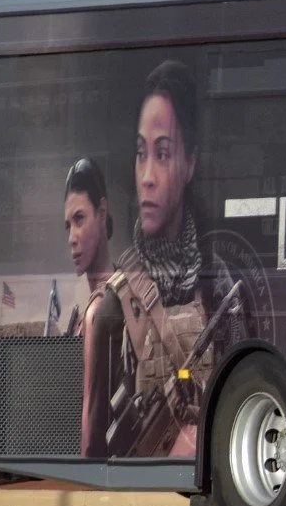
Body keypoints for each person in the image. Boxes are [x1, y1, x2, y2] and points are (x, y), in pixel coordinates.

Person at [82, 60, 254, 459]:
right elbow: (92, 445)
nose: (147, 176)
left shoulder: (221, 286)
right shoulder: (113, 303)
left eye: (162, 153)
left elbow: (245, 400)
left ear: (190, 163)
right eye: (141, 153)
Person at [62, 158, 114, 337]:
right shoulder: (85, 316)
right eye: (68, 226)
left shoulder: (121, 305)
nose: (71, 238)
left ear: (102, 213)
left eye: (79, 219)